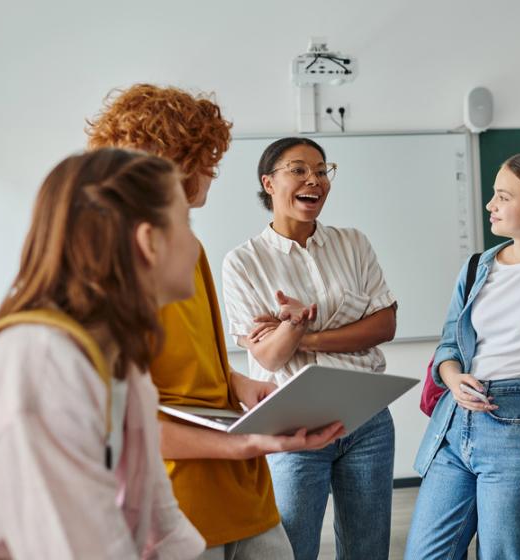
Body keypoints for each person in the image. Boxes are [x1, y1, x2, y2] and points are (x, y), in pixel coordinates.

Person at [86, 85, 343, 559]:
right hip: (177, 506)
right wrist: (243, 444)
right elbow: (120, 419)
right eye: (205, 157)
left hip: (246, 496)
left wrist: (239, 383)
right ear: (171, 162)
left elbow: (192, 360)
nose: (212, 171)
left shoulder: (190, 247)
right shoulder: (109, 261)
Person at [0, 148, 206, 558]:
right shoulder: (41, 366)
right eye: (186, 222)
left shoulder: (122, 362)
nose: (195, 243)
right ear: (148, 242)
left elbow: (164, 527)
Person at [403, 152, 520, 560]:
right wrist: (452, 377)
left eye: (503, 197)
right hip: (455, 425)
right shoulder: (478, 266)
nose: (491, 205)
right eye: (493, 195)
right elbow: (449, 345)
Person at [221, 137, 397, 560]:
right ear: (269, 182)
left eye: (321, 170)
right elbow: (270, 357)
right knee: (291, 548)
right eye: (298, 170)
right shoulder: (242, 262)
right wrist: (293, 329)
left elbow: (385, 324)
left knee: (367, 550)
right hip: (291, 424)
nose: (313, 180)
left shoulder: (353, 242)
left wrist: (300, 331)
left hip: (367, 416)